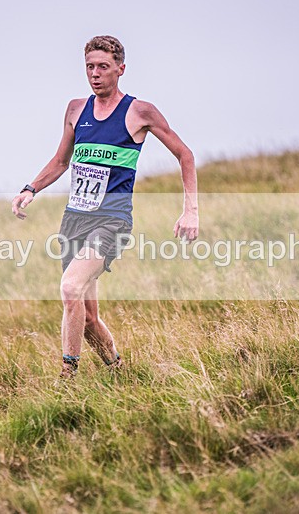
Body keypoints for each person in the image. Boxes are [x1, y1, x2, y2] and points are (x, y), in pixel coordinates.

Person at [11, 35, 198, 378]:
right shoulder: (75, 109)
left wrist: (191, 211)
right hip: (74, 221)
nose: (95, 74)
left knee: (69, 288)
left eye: (103, 67)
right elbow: (60, 161)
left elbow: (185, 154)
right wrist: (30, 188)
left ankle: (67, 378)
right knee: (86, 316)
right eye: (89, 67)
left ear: (120, 69)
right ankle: (120, 372)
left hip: (111, 221)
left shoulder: (140, 111)